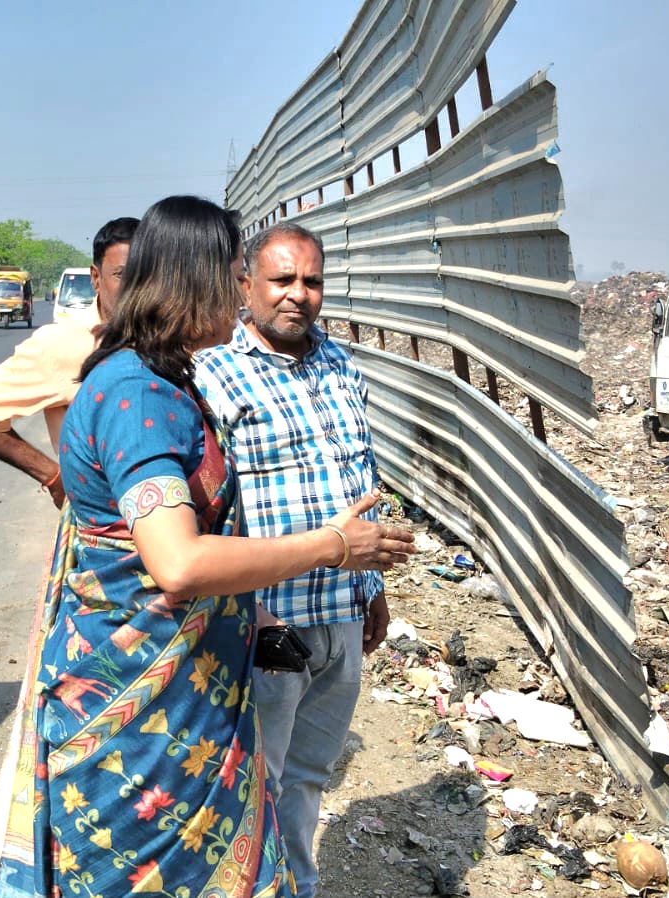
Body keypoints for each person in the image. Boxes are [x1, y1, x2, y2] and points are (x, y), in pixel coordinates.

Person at [0, 196, 415, 898]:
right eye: (235, 276)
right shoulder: (138, 397)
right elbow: (177, 562)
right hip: (142, 704)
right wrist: (333, 545)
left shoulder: (167, 381)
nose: (241, 297)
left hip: (188, 680)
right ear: (199, 282)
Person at [194, 222, 388, 898]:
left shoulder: (340, 363)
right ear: (245, 284)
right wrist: (251, 612)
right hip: (269, 626)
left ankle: (296, 887)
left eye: (311, 281)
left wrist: (374, 590)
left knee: (308, 777)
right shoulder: (210, 373)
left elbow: (358, 477)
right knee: (255, 785)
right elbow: (205, 509)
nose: (298, 296)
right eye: (282, 280)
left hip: (342, 619)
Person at [0, 217, 137, 507]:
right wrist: (52, 477)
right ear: (97, 278)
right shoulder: (62, 342)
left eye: (147, 275)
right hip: (106, 529)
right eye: (123, 275)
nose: (137, 288)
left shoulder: (165, 335)